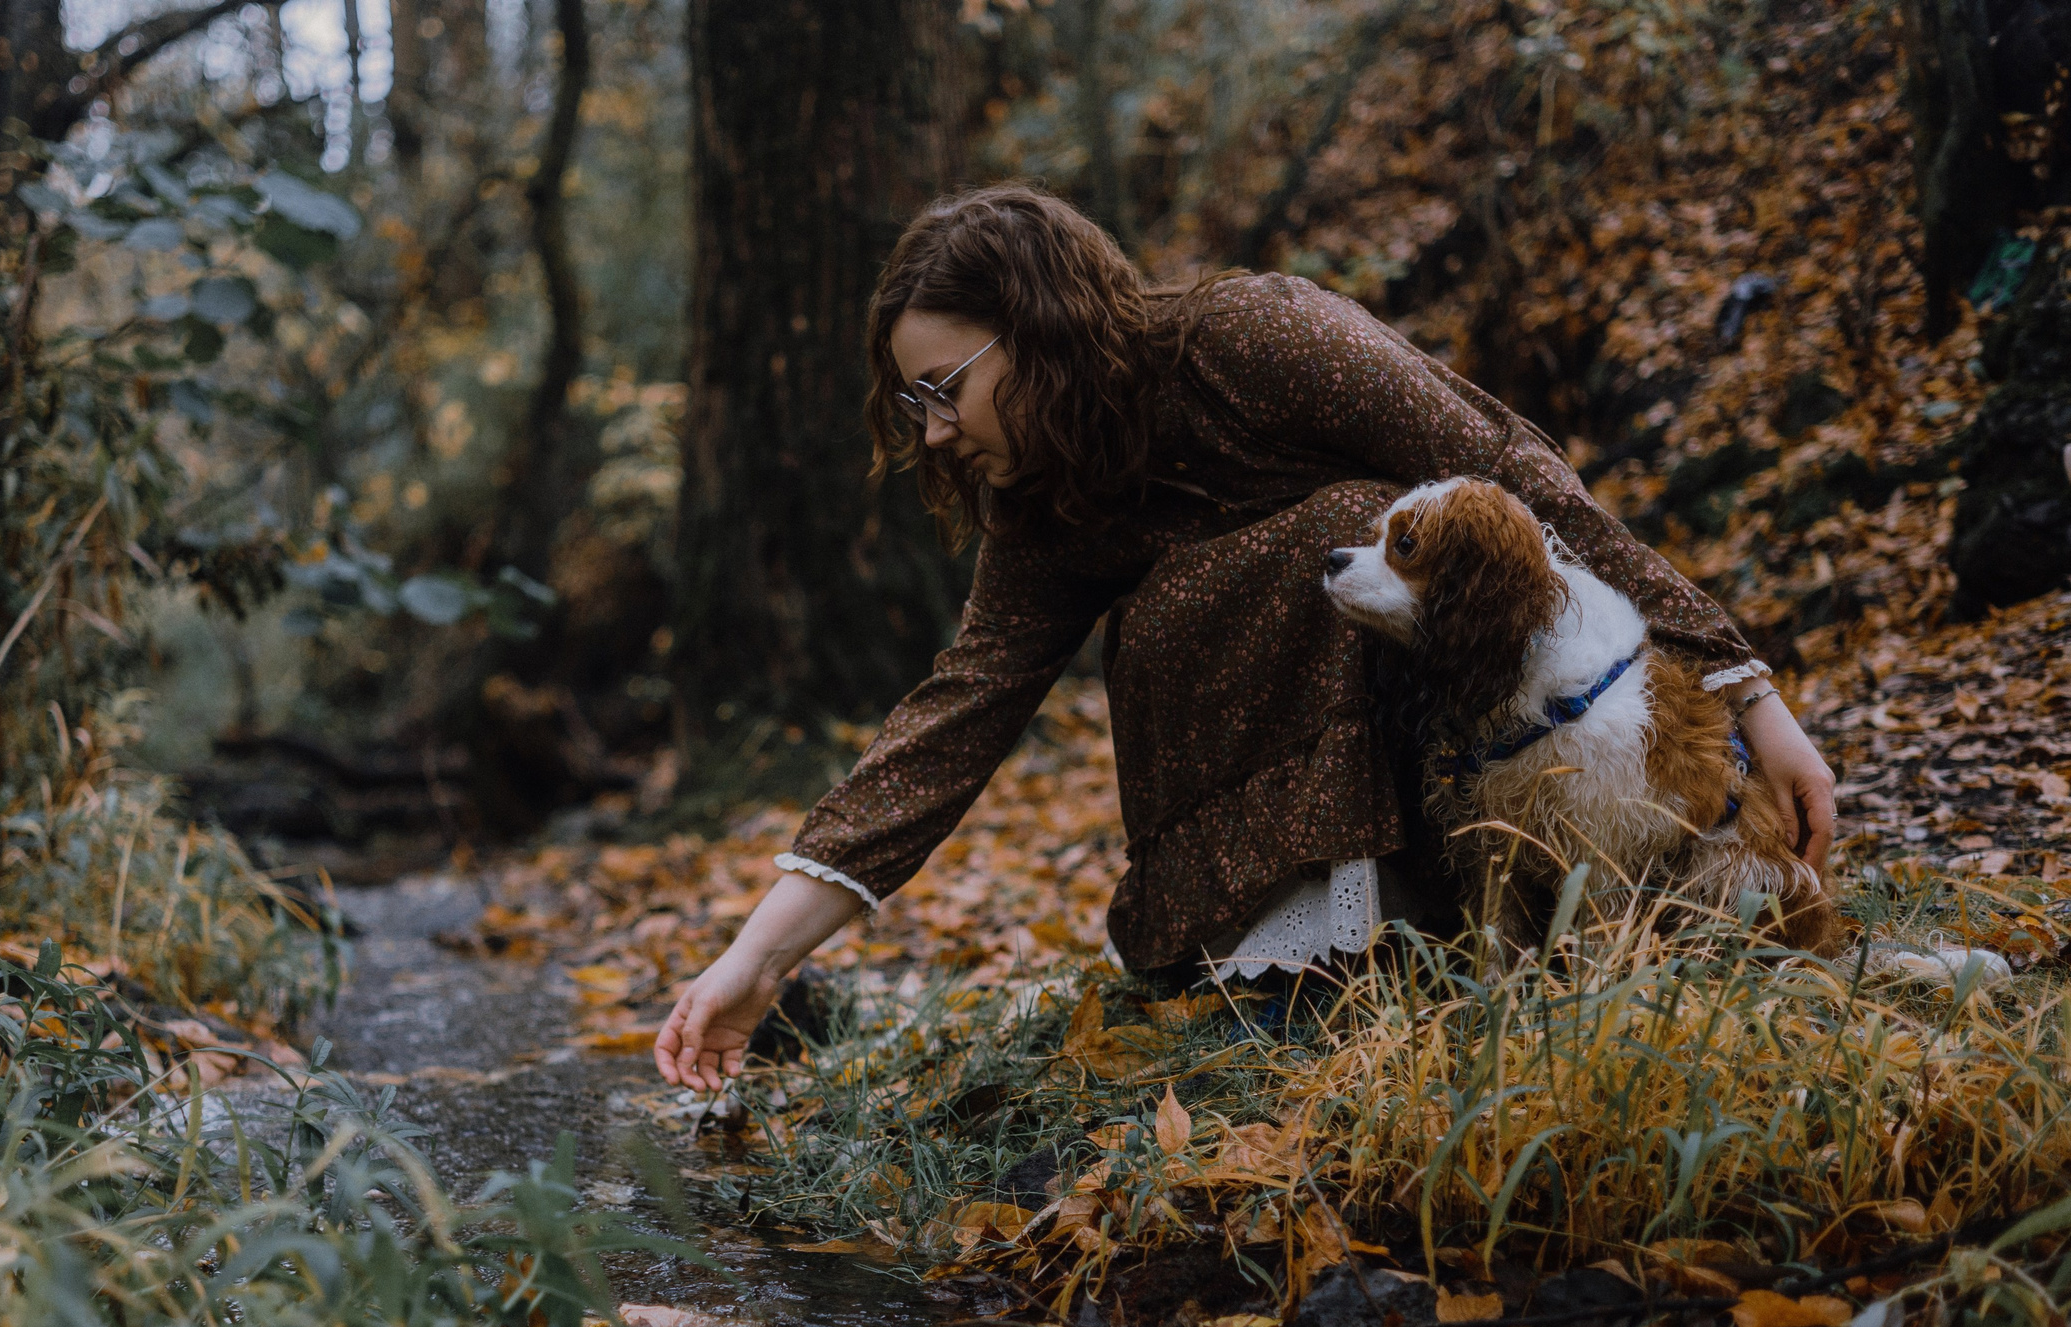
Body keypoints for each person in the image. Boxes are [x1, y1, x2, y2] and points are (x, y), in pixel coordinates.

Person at [653, 185, 1836, 1093]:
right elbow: (954, 716)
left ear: (1042, 328)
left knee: (1329, 536)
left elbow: (1513, 471)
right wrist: (756, 961)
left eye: (944, 387)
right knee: (1186, 602)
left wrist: (1749, 696)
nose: (934, 433)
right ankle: (1287, 956)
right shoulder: (1043, 503)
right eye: (913, 402)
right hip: (1249, 870)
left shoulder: (1256, 337)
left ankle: (1437, 933)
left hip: (1497, 766)